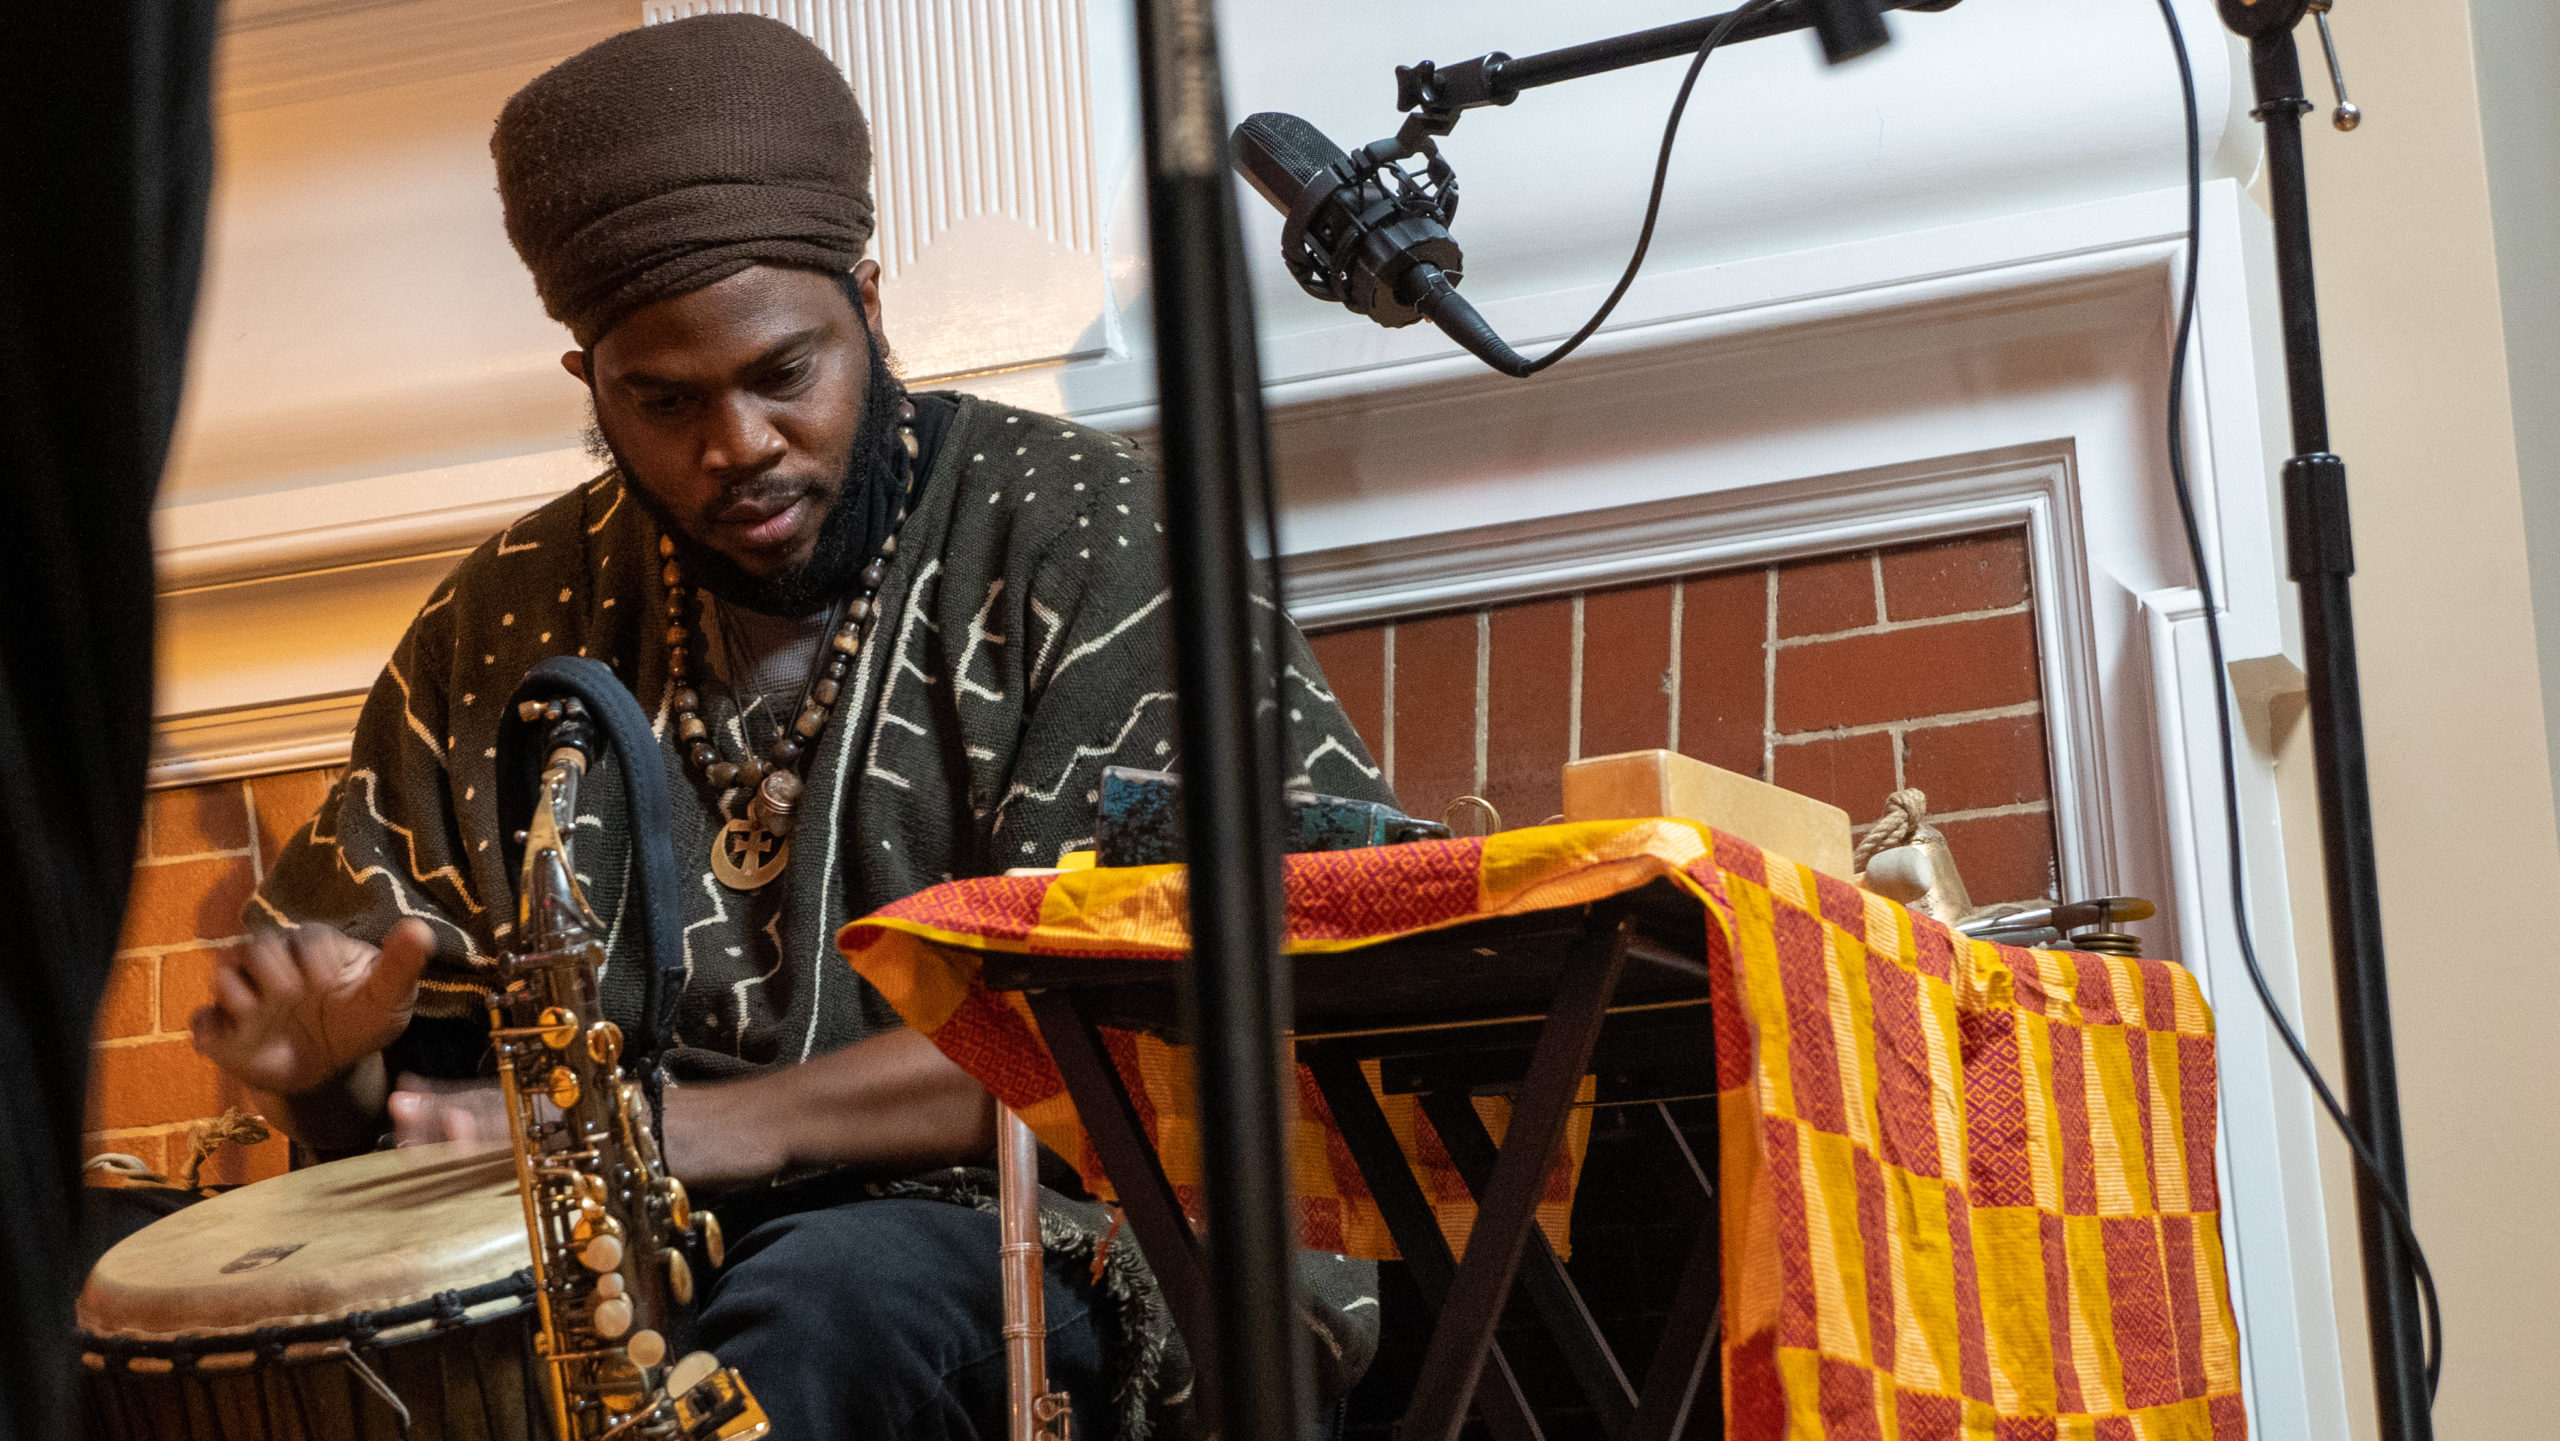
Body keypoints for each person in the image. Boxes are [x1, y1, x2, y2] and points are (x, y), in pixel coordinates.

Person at [185, 15, 1389, 1439]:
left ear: (870, 311)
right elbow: (428, 1078)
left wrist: (711, 1127)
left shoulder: (1083, 541)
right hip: (660, 1266)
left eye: (783, 373)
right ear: (592, 392)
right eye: (667, 401)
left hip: (1085, 1248)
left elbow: (1194, 1011)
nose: (738, 443)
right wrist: (340, 1060)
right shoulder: (502, 627)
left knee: (821, 1304)